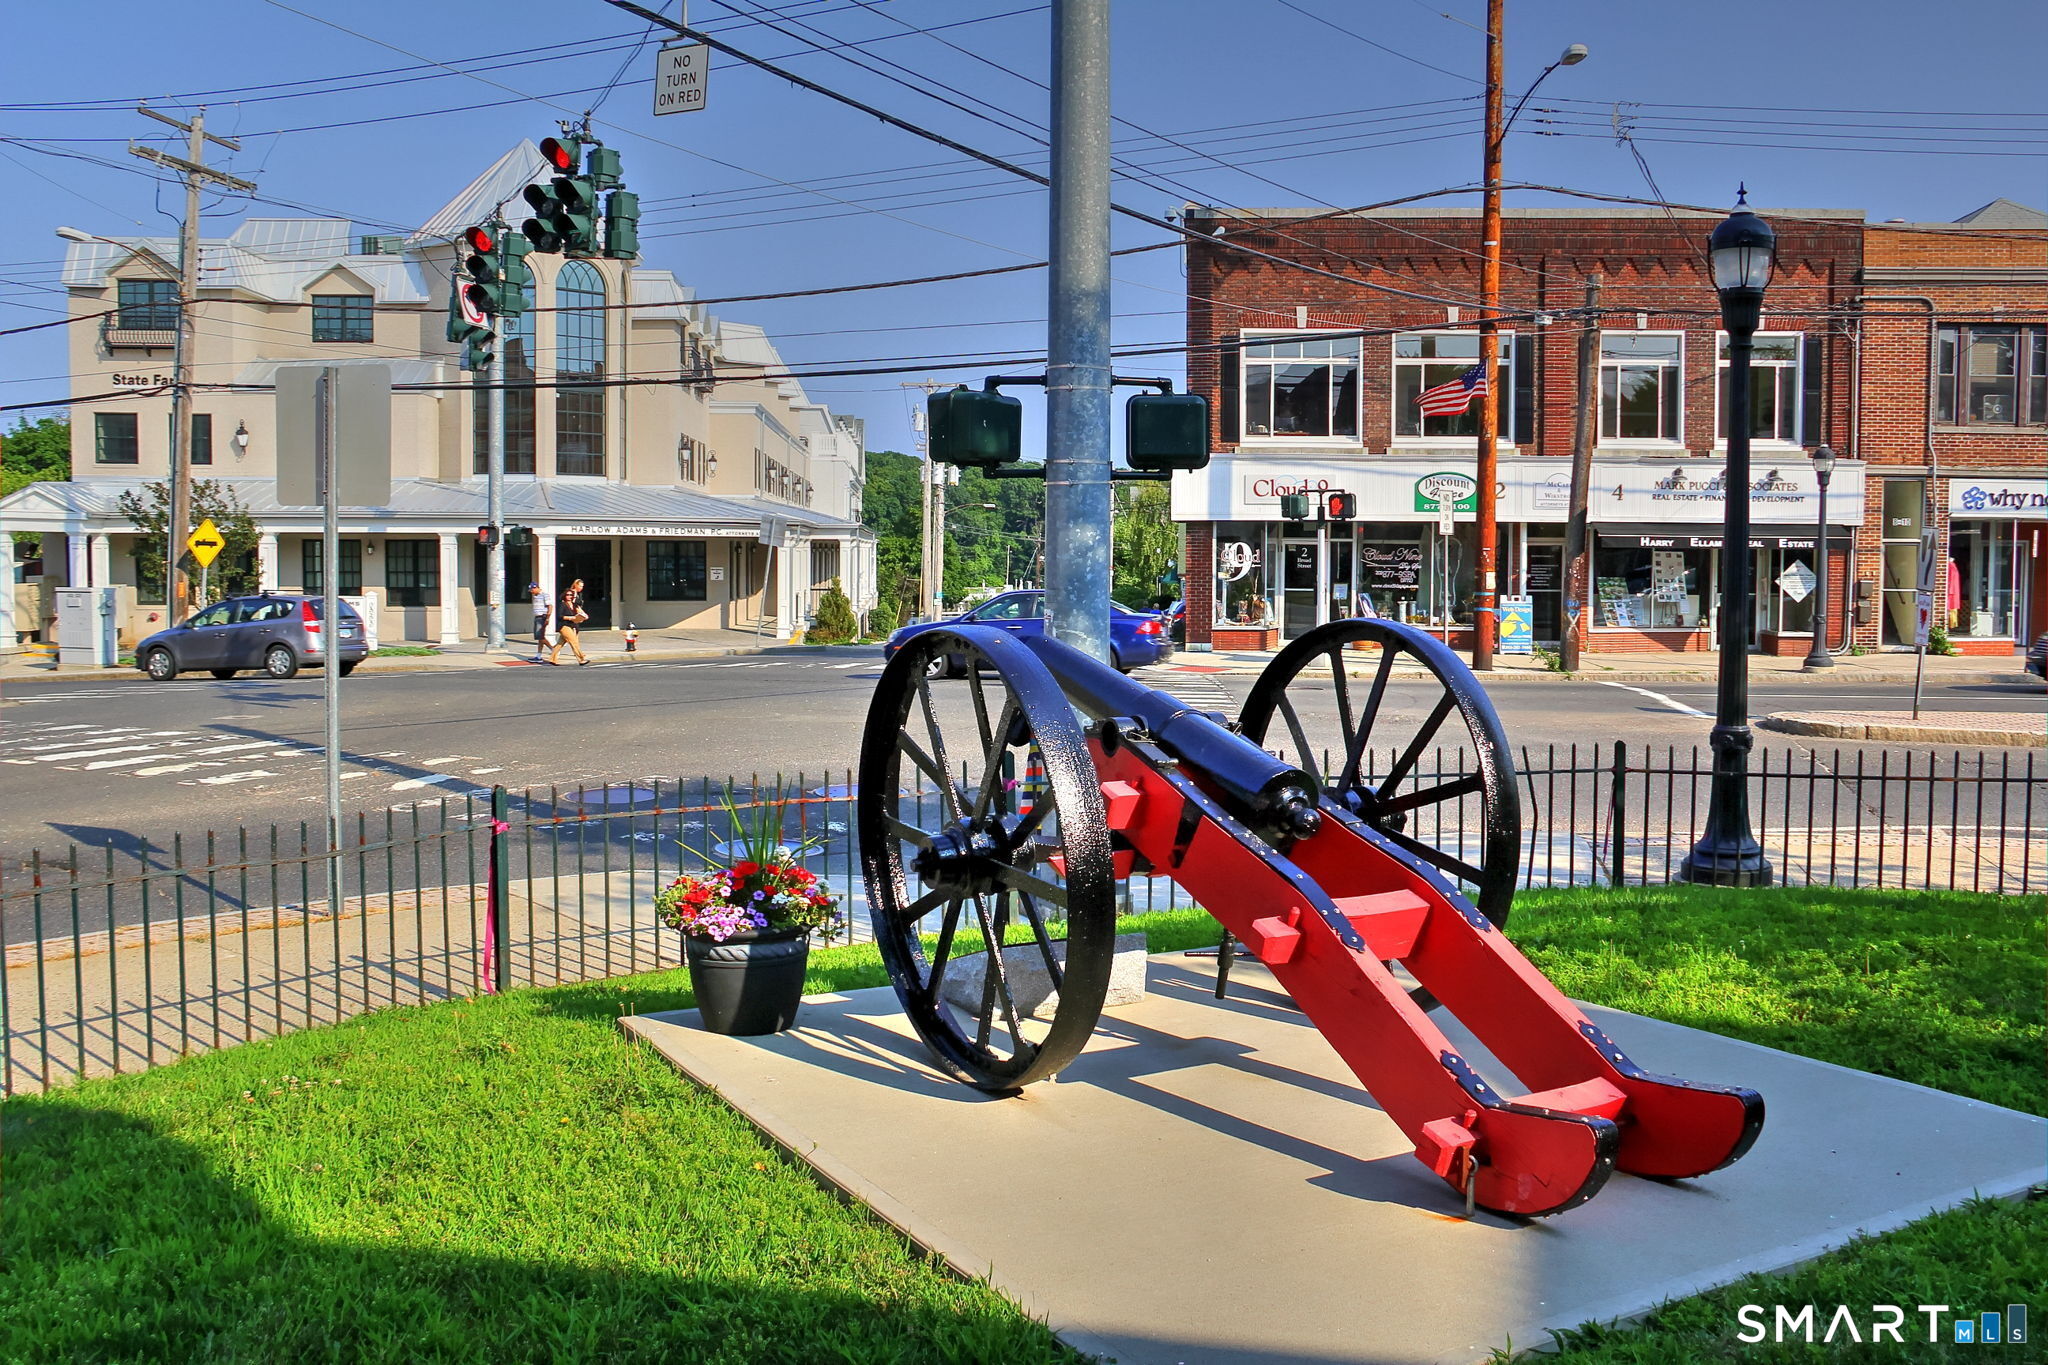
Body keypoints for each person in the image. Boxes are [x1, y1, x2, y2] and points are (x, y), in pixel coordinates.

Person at [548, 578, 591, 666]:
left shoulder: (574, 604)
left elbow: (579, 610)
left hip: (572, 625)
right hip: (564, 625)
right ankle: (581, 659)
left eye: (571, 595)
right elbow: (560, 616)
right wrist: (570, 618)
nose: (570, 596)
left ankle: (552, 659)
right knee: (573, 641)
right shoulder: (563, 604)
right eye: (568, 595)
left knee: (560, 643)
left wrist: (584, 615)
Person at [528, 582, 552, 662]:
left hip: (542, 617)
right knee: (540, 637)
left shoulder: (544, 595)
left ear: (536, 588)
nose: (531, 592)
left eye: (532, 590)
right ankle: (538, 656)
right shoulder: (536, 596)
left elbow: (550, 606)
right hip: (537, 617)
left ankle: (554, 649)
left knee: (540, 636)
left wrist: (548, 618)